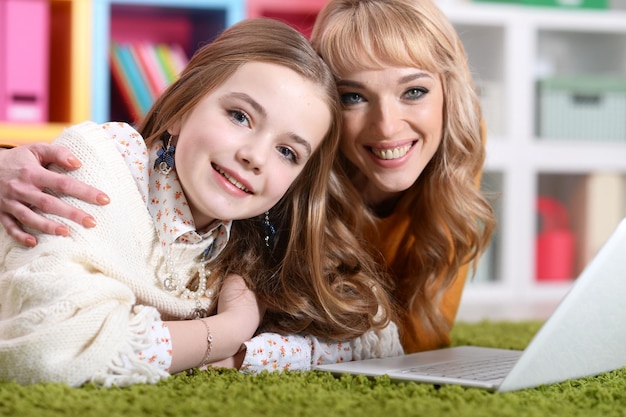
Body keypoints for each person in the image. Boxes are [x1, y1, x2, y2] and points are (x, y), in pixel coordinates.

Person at [0, 0, 495, 356]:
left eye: (413, 91)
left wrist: (242, 339)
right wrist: (232, 330)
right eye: (353, 96)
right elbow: (59, 343)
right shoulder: (104, 172)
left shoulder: (242, 219)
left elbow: (401, 343)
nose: (387, 126)